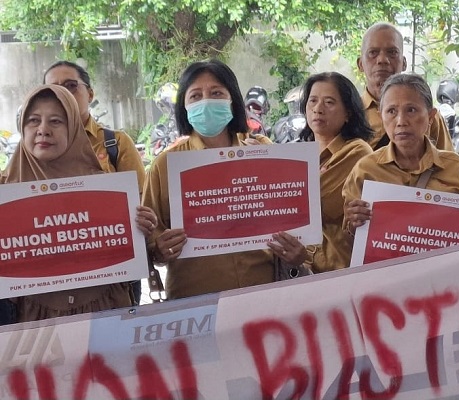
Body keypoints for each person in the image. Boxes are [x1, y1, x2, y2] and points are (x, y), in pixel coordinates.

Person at [142, 59, 307, 300]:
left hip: (262, 293)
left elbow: (293, 219)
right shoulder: (165, 165)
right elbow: (150, 240)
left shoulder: (263, 152)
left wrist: (296, 249)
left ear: (233, 101)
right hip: (194, 299)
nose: (206, 102)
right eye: (195, 96)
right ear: (184, 107)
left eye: (217, 93)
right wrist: (159, 249)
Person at [2, 85, 157, 322]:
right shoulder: (5, 191)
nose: (43, 130)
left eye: (56, 121)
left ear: (74, 127)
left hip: (107, 311)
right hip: (29, 320)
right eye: (33, 121)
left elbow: (133, 259)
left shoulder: (108, 190)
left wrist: (142, 231)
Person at [43, 61, 148, 305]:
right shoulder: (33, 149)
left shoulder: (116, 144)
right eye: (54, 90)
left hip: (115, 275)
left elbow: (141, 202)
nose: (64, 94)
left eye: (71, 86)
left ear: (89, 93)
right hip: (56, 279)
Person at [343, 73, 459, 236]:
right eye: (391, 111)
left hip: (443, 261)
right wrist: (354, 222)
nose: (401, 121)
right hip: (387, 260)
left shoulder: (455, 166)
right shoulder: (366, 170)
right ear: (381, 117)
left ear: (431, 116)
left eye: (411, 110)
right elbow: (350, 239)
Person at [298, 72, 373, 272]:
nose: (318, 109)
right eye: (312, 101)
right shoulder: (302, 153)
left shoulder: (357, 151)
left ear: (348, 112)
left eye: (329, 102)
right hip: (305, 270)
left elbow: (305, 204)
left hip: (338, 271)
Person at [358, 22, 454, 151]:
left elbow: (447, 165)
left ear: (403, 63)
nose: (382, 60)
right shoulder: (348, 115)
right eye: (373, 53)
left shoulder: (428, 116)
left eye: (392, 52)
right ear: (360, 64)